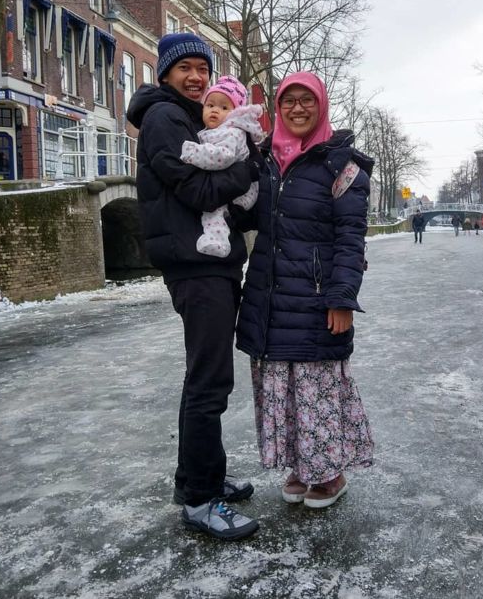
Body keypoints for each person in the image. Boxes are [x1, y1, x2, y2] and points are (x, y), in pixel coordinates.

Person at [126, 33, 259, 541]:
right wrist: (247, 165)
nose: (197, 77)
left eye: (204, 68)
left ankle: (201, 477)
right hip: (195, 266)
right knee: (208, 383)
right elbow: (201, 189)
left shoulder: (190, 115)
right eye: (185, 68)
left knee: (207, 379)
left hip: (210, 264)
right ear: (164, 73)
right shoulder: (165, 119)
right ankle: (201, 498)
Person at [236, 71, 374, 510]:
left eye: (306, 100)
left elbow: (351, 237)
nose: (297, 108)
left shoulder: (342, 165)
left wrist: (341, 298)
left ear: (321, 106)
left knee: (317, 389)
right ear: (278, 107)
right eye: (288, 100)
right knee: (284, 387)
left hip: (314, 297)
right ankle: (301, 466)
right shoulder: (262, 160)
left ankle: (330, 474)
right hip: (271, 295)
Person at [179, 75, 265, 257]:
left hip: (243, 193)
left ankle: (217, 242)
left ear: (235, 112)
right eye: (210, 105)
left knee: (215, 209)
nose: (215, 111)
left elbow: (223, 157)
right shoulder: (214, 131)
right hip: (235, 184)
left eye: (224, 107)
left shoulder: (233, 132)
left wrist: (193, 153)